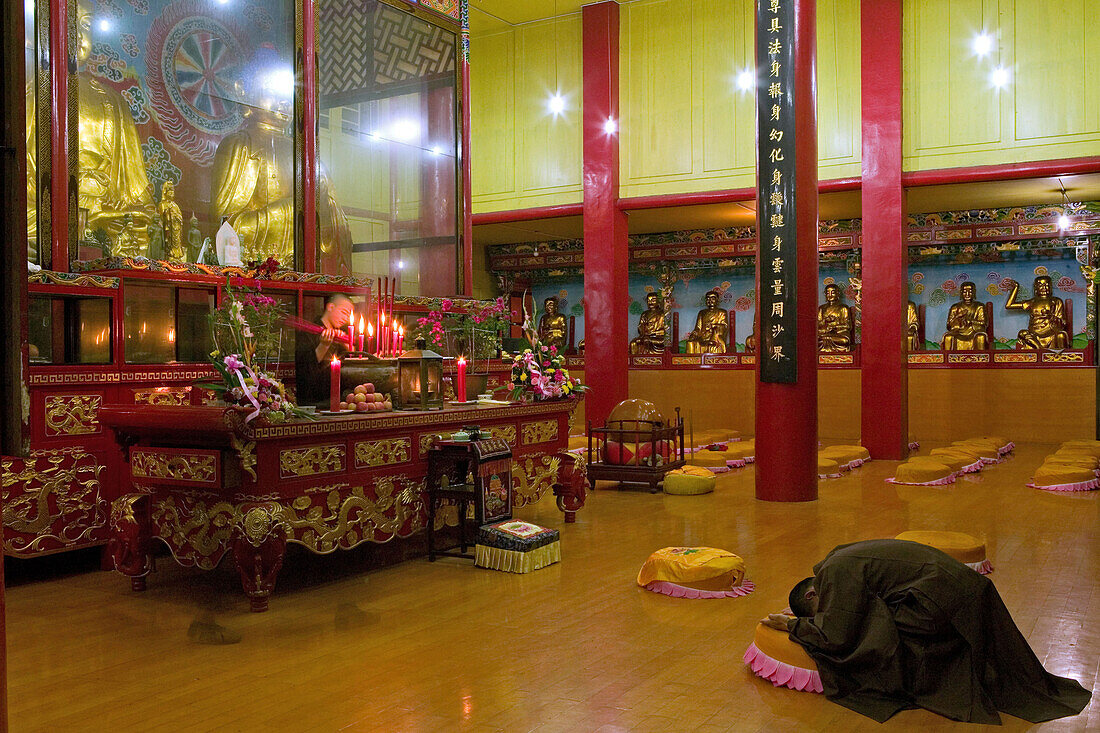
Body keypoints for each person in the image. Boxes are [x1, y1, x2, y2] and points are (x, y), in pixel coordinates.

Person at [762, 539, 1090, 724]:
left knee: (877, 634)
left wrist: (795, 625)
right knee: (875, 619)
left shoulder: (833, 573)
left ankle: (914, 684)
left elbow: (837, 632)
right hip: (956, 586)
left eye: (819, 609)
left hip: (944, 597)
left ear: (811, 595)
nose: (825, 611)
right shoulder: (835, 556)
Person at [294, 293, 354, 408]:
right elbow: (305, 370)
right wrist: (324, 345)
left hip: (340, 400)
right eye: (344, 312)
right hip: (313, 401)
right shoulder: (309, 331)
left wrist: (348, 347)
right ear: (330, 307)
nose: (346, 319)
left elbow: (351, 370)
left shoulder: (341, 335)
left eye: (349, 315)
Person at [941, 281, 988, 350]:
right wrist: (957, 320)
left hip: (974, 331)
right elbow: (949, 325)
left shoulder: (979, 306)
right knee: (948, 337)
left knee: (981, 337)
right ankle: (948, 358)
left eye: (970, 292)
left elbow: (984, 323)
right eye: (965, 292)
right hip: (959, 331)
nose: (967, 294)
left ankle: (981, 358)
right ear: (961, 293)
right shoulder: (955, 307)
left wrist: (970, 321)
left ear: (974, 293)